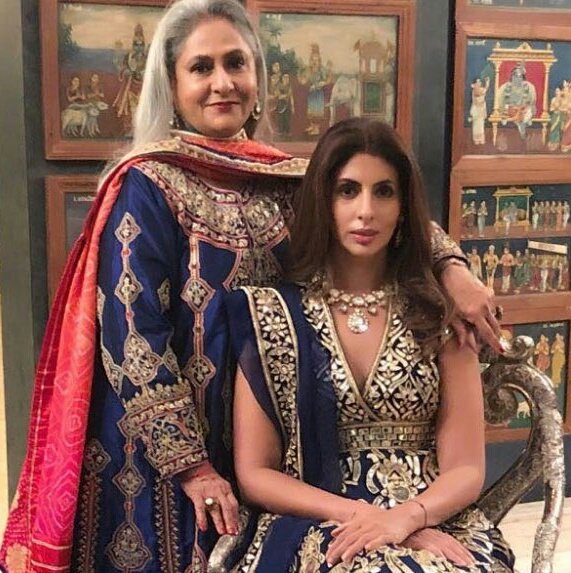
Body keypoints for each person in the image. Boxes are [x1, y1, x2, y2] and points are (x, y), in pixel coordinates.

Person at [0, 1, 499, 571]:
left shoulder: (281, 180)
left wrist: (453, 268)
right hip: (170, 455)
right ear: (172, 85)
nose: (222, 82)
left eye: (235, 63)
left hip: (277, 441)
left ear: (258, 77)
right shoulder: (149, 183)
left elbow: (385, 211)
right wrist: (193, 466)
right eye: (201, 67)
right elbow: (133, 332)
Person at [224, 118, 514, 572]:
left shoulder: (441, 315)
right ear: (323, 200)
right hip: (320, 517)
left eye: (384, 192)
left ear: (403, 206)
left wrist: (407, 518)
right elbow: (256, 474)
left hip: (434, 514)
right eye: (347, 191)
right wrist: (369, 518)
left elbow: (466, 468)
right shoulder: (271, 315)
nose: (366, 211)